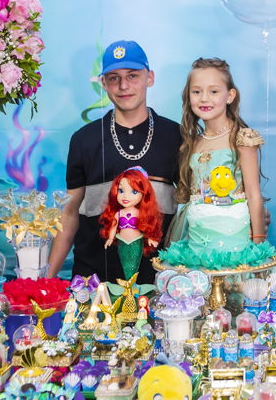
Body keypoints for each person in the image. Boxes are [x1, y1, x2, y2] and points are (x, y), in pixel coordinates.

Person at [46, 41, 180, 284]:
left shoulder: (177, 136)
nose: (123, 86)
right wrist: (46, 280)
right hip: (94, 282)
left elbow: (195, 207)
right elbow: (70, 213)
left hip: (162, 283)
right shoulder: (83, 140)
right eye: (114, 78)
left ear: (150, 78)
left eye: (132, 76)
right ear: (104, 84)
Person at [167, 57, 268, 245]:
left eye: (213, 91)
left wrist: (258, 241)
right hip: (198, 240)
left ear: (230, 96)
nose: (204, 98)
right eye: (196, 92)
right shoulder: (192, 143)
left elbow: (253, 195)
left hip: (234, 240)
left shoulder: (241, 139)